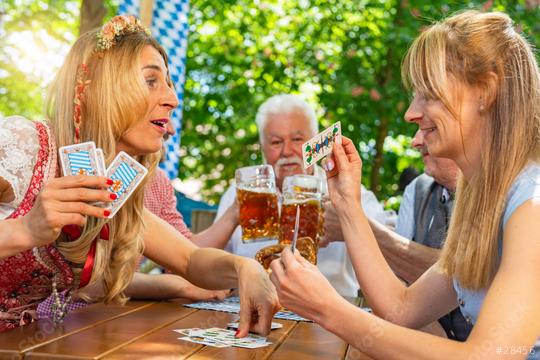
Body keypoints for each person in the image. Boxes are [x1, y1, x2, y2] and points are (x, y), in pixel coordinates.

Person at [269, 10, 540, 358]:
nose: (410, 112)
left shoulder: (531, 205)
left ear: (485, 91)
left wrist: (329, 309)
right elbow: (400, 308)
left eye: (428, 93)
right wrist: (348, 203)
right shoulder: (484, 202)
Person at [0, 15, 278, 333]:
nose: (172, 99)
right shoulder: (23, 144)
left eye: (169, 84)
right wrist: (25, 230)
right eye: (151, 81)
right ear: (96, 90)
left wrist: (244, 267)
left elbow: (190, 261)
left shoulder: (114, 187)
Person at [213, 94, 392, 298]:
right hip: (252, 310)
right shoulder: (243, 192)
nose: (286, 151)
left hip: (331, 318)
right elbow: (204, 262)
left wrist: (350, 220)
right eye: (275, 142)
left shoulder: (342, 189)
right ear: (262, 147)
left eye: (297, 139)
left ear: (316, 143)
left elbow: (393, 252)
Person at [323, 129, 471, 341]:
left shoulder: (516, 196)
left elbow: (467, 274)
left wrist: (354, 220)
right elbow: (400, 293)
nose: (415, 141)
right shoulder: (417, 190)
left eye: (430, 129)